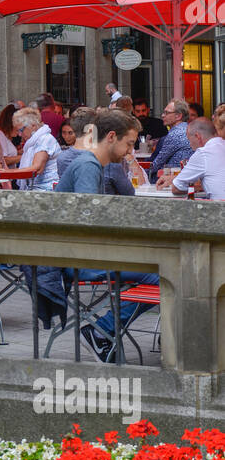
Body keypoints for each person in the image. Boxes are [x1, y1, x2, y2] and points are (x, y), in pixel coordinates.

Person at [56, 109, 157, 362]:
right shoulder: (89, 165)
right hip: (78, 261)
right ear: (111, 136)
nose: (130, 151)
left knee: (160, 270)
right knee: (163, 274)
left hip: (77, 254)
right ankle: (102, 329)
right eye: (129, 143)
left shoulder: (87, 163)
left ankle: (105, 329)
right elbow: (89, 221)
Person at [168, 114, 225, 198]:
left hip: (219, 208)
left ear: (198, 137)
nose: (190, 145)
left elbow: (176, 188)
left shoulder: (203, 153)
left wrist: (197, 187)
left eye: (189, 140)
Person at [13, 108, 60, 190]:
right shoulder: (34, 141)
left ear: (33, 126)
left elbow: (37, 169)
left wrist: (4, 173)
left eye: (21, 130)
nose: (19, 135)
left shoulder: (45, 139)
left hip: (46, 191)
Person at [147, 99, 191, 181]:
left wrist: (141, 173)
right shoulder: (189, 129)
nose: (163, 115)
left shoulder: (175, 134)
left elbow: (157, 163)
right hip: (188, 177)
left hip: (174, 179)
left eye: (167, 113)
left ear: (178, 116)